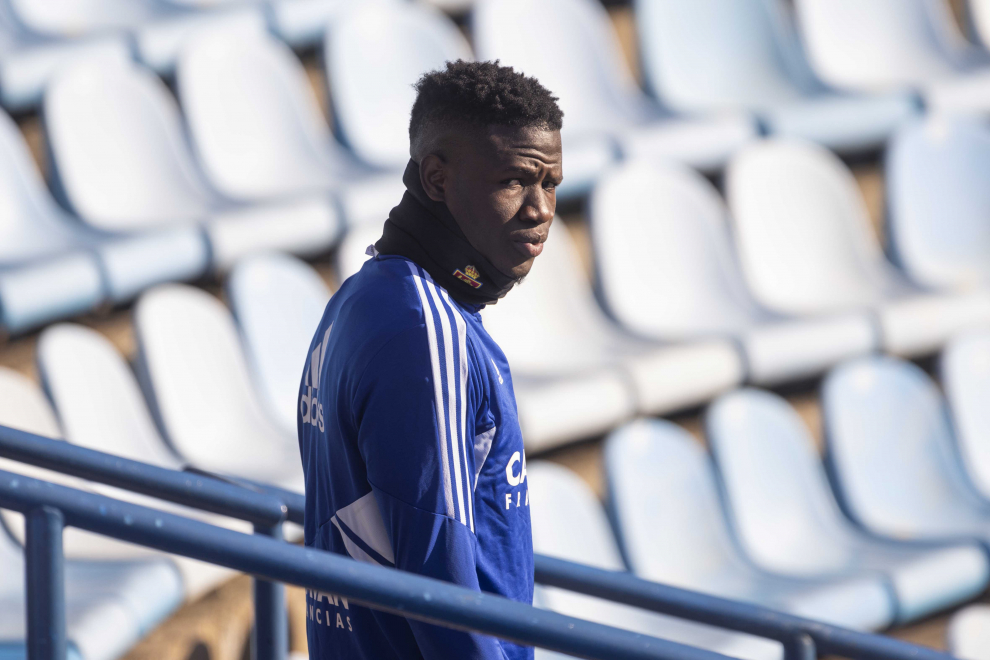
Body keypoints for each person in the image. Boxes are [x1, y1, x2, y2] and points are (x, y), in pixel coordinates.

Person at [297, 59, 563, 659]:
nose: (540, 208)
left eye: (551, 185)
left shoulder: (363, 297)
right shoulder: (424, 332)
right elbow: (438, 585)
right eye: (515, 181)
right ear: (437, 178)